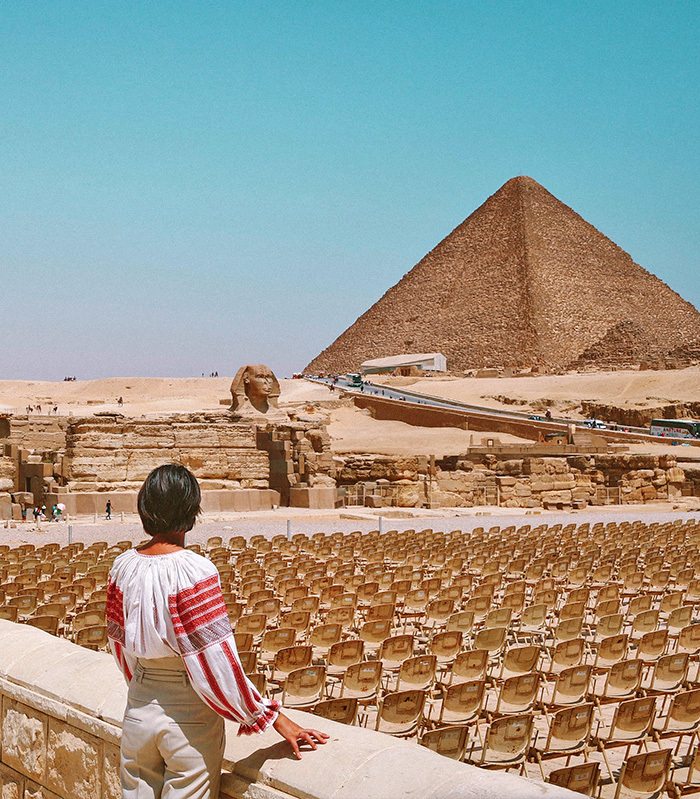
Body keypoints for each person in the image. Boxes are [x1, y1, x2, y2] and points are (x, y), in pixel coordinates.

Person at [107, 465, 328, 798]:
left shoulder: (122, 565)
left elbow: (118, 642)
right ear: (192, 510)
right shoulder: (195, 570)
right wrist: (271, 717)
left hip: (138, 708)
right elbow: (215, 660)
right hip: (188, 717)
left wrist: (142, 686)